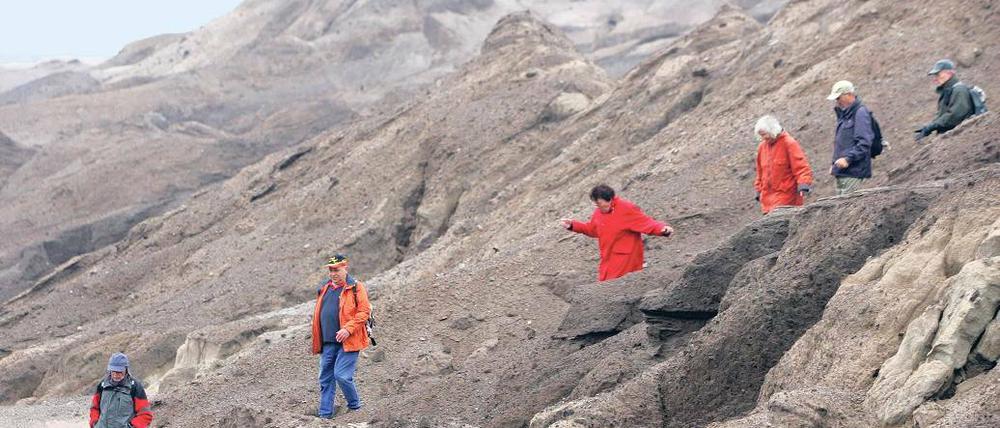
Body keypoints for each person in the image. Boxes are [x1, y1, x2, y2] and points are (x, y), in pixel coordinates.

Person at [560, 185, 673, 281]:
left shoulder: (626, 209)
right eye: (596, 204)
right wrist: (573, 225)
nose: (598, 207)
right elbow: (593, 230)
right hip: (608, 257)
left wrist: (662, 229)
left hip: (625, 259)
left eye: (599, 204)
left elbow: (646, 222)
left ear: (609, 199)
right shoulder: (598, 213)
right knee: (605, 286)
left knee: (613, 287)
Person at [311, 254, 371, 419]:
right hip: (328, 342)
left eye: (336, 270)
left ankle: (355, 407)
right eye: (331, 270)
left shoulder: (356, 287)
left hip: (349, 340)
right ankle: (324, 416)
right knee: (325, 378)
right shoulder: (325, 288)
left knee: (342, 376)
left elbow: (364, 312)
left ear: (345, 268)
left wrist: (348, 329)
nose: (333, 273)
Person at [752, 115, 813, 214]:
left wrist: (803, 184)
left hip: (787, 197)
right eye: (761, 135)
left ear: (772, 130)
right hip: (767, 200)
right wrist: (758, 189)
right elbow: (760, 172)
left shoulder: (789, 143)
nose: (763, 138)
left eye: (764, 134)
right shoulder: (762, 147)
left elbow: (801, 167)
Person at [827, 80, 874, 195]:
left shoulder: (860, 113)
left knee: (848, 204)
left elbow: (864, 142)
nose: (837, 101)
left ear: (849, 94)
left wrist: (848, 159)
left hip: (853, 172)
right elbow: (842, 143)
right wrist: (834, 165)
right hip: (842, 172)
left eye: (838, 98)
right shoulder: (845, 115)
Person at [914, 59, 975, 141]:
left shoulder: (959, 90)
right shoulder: (949, 91)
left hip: (960, 139)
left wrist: (933, 126)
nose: (935, 79)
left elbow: (955, 115)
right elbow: (944, 115)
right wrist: (929, 127)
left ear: (949, 73)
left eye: (938, 75)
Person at [88, 353, 153, 428]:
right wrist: (95, 424)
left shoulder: (134, 387)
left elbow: (145, 414)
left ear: (126, 370)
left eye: (119, 372)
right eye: (113, 371)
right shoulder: (103, 385)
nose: (115, 375)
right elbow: (94, 408)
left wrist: (132, 427)